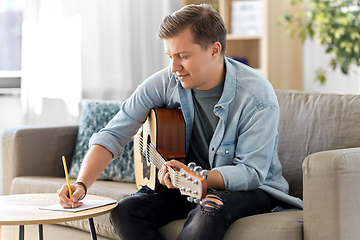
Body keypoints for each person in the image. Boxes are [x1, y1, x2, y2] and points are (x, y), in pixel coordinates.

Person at [57, 4, 303, 240]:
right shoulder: (165, 81)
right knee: (125, 211)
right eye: (170, 56)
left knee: (210, 208)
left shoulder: (257, 96)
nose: (173, 67)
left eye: (183, 56)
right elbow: (113, 134)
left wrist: (202, 178)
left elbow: (251, 172)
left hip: (251, 189)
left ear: (214, 50)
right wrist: (81, 184)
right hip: (184, 184)